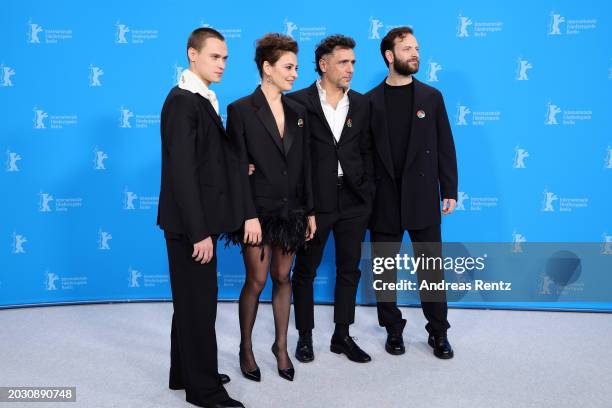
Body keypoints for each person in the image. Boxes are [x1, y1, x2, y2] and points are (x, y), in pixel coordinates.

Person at [157, 27, 245, 408]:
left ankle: (184, 373)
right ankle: (204, 389)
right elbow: (183, 173)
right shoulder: (183, 102)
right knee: (199, 305)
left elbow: (206, 160)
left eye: (225, 58)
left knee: (190, 302)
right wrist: (199, 233)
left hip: (194, 222)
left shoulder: (201, 99)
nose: (222, 64)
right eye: (215, 57)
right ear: (192, 55)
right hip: (189, 226)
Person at [225, 33, 316, 382]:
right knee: (257, 279)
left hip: (291, 210)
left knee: (283, 276)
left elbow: (305, 164)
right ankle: (245, 347)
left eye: (296, 67)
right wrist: (248, 214)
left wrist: (309, 211)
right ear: (267, 67)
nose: (294, 73)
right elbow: (237, 170)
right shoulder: (241, 110)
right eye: (288, 67)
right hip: (257, 211)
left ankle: (281, 347)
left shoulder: (299, 110)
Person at [366, 26, 458, 359]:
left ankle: (438, 333)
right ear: (390, 56)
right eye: (406, 49)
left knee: (432, 269)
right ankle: (393, 328)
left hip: (422, 195)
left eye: (416, 48)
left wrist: (449, 188)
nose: (415, 53)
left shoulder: (432, 98)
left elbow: (445, 145)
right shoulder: (368, 102)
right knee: (384, 272)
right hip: (384, 199)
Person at [287, 35, 375, 364]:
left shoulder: (363, 104)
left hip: (354, 200)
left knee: (348, 269)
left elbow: (366, 149)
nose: (350, 68)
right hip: (315, 202)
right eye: (343, 62)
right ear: (324, 65)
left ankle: (342, 336)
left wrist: (367, 191)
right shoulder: (296, 102)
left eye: (353, 62)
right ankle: (305, 337)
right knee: (306, 270)